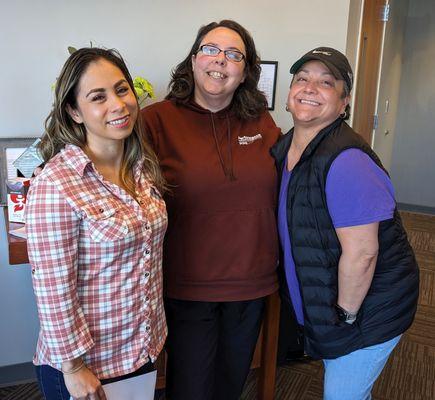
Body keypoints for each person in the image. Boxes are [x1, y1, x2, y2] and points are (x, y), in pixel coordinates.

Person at [141, 20, 280, 400]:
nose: (221, 60)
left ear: (246, 71)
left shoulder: (263, 122)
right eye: (211, 49)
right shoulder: (154, 120)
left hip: (252, 282)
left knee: (230, 385)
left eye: (234, 54)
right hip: (188, 283)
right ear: (193, 59)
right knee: (191, 388)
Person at [271, 46, 419, 400]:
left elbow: (364, 253)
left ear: (343, 102)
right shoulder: (287, 146)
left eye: (326, 82)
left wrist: (345, 316)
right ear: (289, 93)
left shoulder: (347, 161)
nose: (309, 88)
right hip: (330, 305)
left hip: (368, 311)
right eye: (302, 79)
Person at [25, 47, 168, 400]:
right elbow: (53, 290)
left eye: (122, 90)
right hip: (87, 367)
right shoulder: (56, 183)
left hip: (140, 347)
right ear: (74, 111)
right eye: (97, 97)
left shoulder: (141, 168)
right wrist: (74, 369)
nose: (118, 105)